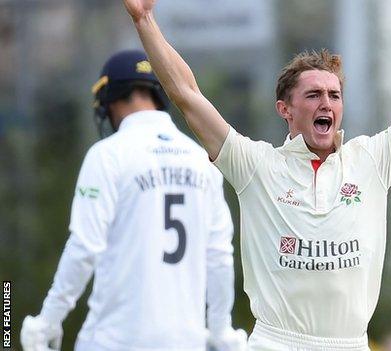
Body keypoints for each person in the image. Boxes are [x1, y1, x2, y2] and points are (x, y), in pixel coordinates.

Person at [122, 0, 391, 349]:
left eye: (334, 95)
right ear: (285, 109)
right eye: (313, 95)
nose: (327, 102)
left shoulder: (373, 159)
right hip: (276, 342)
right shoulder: (255, 165)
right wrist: (145, 20)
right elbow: (187, 94)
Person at [20, 50, 246, 351]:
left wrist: (47, 321)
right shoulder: (200, 160)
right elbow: (219, 256)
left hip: (115, 339)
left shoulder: (108, 155)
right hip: (186, 342)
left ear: (111, 98)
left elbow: (85, 246)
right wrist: (220, 330)